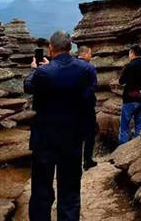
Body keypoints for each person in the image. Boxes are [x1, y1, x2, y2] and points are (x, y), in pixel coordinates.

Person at [24, 30, 96, 221]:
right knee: (70, 187)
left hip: (44, 136)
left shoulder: (43, 72)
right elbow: (87, 96)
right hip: (72, 136)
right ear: (71, 46)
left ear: (50, 47)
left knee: (41, 187)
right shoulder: (87, 70)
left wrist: (34, 69)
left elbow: (28, 86)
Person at [77, 45, 97, 170]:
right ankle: (87, 161)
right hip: (87, 105)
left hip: (72, 106)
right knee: (90, 133)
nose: (91, 56)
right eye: (90, 53)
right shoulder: (90, 67)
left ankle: (74, 161)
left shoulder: (69, 65)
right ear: (84, 54)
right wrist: (83, 97)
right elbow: (93, 85)